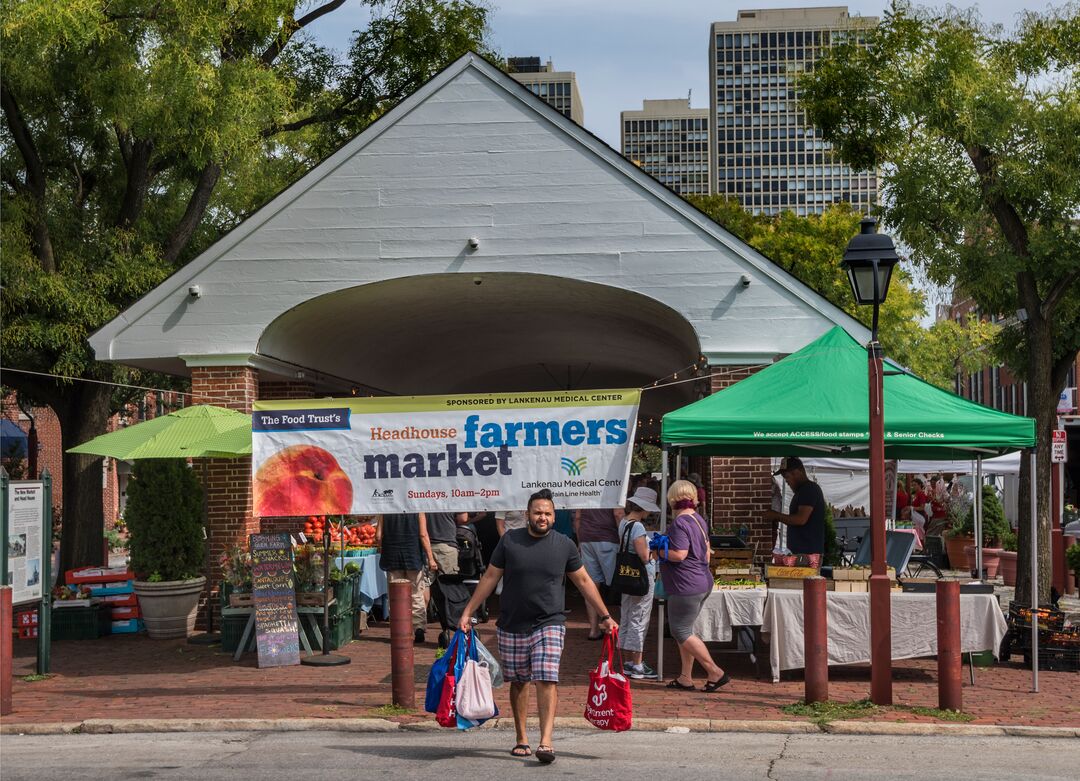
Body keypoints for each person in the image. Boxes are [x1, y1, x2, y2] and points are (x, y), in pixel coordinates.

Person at [458, 489, 616, 765]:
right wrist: (468, 611)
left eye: (547, 513)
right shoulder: (510, 541)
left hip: (550, 622)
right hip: (512, 624)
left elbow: (584, 581)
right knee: (519, 681)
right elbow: (491, 577)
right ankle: (521, 737)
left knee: (546, 677)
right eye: (537, 512)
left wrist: (604, 615)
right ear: (527, 514)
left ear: (554, 517)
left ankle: (546, 740)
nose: (542, 517)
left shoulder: (564, 544)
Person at [659, 479, 730, 692]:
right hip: (701, 580)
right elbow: (707, 553)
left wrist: (658, 552)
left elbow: (679, 554)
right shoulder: (698, 519)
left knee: (680, 631)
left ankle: (715, 672)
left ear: (672, 498)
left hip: (686, 585)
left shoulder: (679, 523)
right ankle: (685, 677)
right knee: (686, 630)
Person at [616, 486, 662, 679]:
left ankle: (627, 661)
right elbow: (644, 556)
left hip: (626, 576)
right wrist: (657, 551)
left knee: (626, 616)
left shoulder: (624, 523)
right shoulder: (638, 527)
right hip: (641, 577)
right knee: (639, 618)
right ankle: (637, 664)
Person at [376, 512, 437, 644]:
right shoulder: (417, 510)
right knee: (416, 594)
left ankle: (398, 630)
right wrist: (431, 558)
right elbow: (423, 535)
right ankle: (418, 628)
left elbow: (378, 536)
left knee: (395, 597)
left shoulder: (385, 510)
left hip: (392, 557)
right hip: (413, 557)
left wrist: (383, 548)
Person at [573, 505, 624, 639]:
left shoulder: (587, 485)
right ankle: (625, 629)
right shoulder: (613, 484)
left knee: (590, 585)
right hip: (608, 538)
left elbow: (578, 517)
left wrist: (579, 540)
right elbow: (618, 513)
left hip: (586, 538)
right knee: (619, 584)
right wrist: (624, 538)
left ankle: (594, 630)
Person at [764, 457, 826, 555]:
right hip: (801, 553)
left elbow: (800, 519)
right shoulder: (801, 491)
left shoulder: (809, 489)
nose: (786, 481)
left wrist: (776, 515)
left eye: (787, 476)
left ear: (797, 472)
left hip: (807, 554)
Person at [426, 511, 467, 577]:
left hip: (426, 545)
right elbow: (463, 519)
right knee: (448, 582)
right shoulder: (455, 500)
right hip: (447, 544)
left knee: (428, 583)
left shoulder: (421, 500)